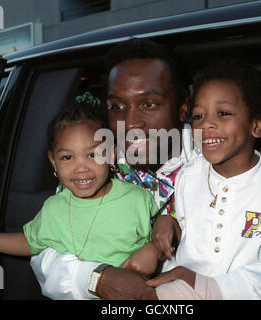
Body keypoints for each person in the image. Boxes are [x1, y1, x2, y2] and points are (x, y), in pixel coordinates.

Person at [30, 38, 194, 300]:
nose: (130, 123)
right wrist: (97, 278)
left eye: (149, 104)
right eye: (117, 106)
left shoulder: (220, 167)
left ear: (183, 107)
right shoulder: (94, 161)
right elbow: (48, 252)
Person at [143, 59, 261, 299]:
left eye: (223, 113)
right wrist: (166, 221)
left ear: (257, 125)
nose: (206, 123)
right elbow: (180, 222)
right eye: (198, 116)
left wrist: (219, 289)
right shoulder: (189, 175)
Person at [0, 99, 160, 277]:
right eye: (67, 157)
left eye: (93, 154)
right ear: (53, 162)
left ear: (111, 154)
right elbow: (28, 242)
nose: (80, 168)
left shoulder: (137, 198)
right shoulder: (54, 209)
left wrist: (155, 249)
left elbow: (168, 234)